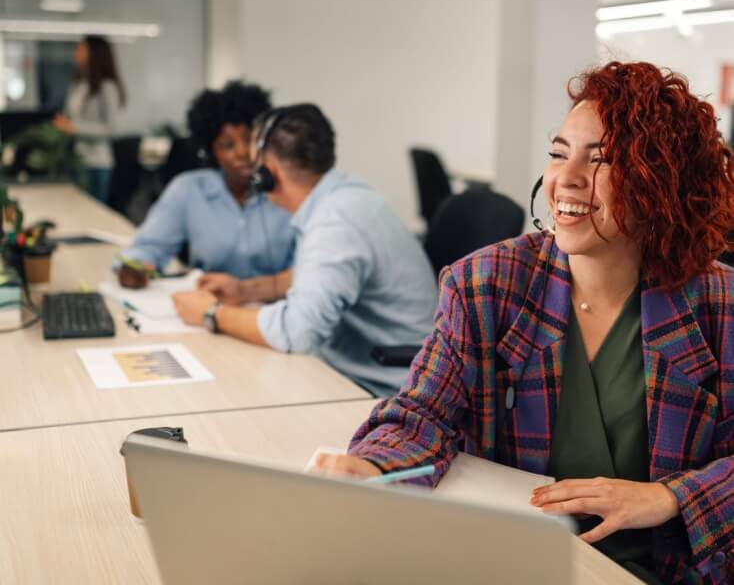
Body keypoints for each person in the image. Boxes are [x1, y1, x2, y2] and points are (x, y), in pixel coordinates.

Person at [312, 62, 734, 584]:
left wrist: (670, 497)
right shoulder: (487, 283)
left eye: (601, 160)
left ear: (661, 182)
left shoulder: (720, 304)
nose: (566, 179)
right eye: (559, 154)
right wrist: (373, 465)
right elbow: (422, 414)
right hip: (517, 566)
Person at [172, 103, 438, 396]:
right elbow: (320, 276)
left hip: (389, 391)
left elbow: (297, 333)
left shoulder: (334, 222)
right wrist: (246, 290)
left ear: (267, 173)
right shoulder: (345, 193)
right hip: (372, 370)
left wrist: (211, 313)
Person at [117, 81, 296, 290]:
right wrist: (135, 266)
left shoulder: (289, 191)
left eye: (249, 140)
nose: (242, 153)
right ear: (210, 151)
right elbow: (150, 246)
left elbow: (307, 271)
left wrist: (251, 292)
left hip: (274, 311)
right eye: (227, 145)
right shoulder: (189, 188)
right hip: (206, 305)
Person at [53, 35, 126, 203]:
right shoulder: (78, 85)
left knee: (94, 215)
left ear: (94, 54)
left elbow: (111, 128)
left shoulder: (107, 87)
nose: (75, 53)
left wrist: (74, 128)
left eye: (81, 49)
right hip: (76, 160)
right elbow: (69, 116)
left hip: (96, 162)